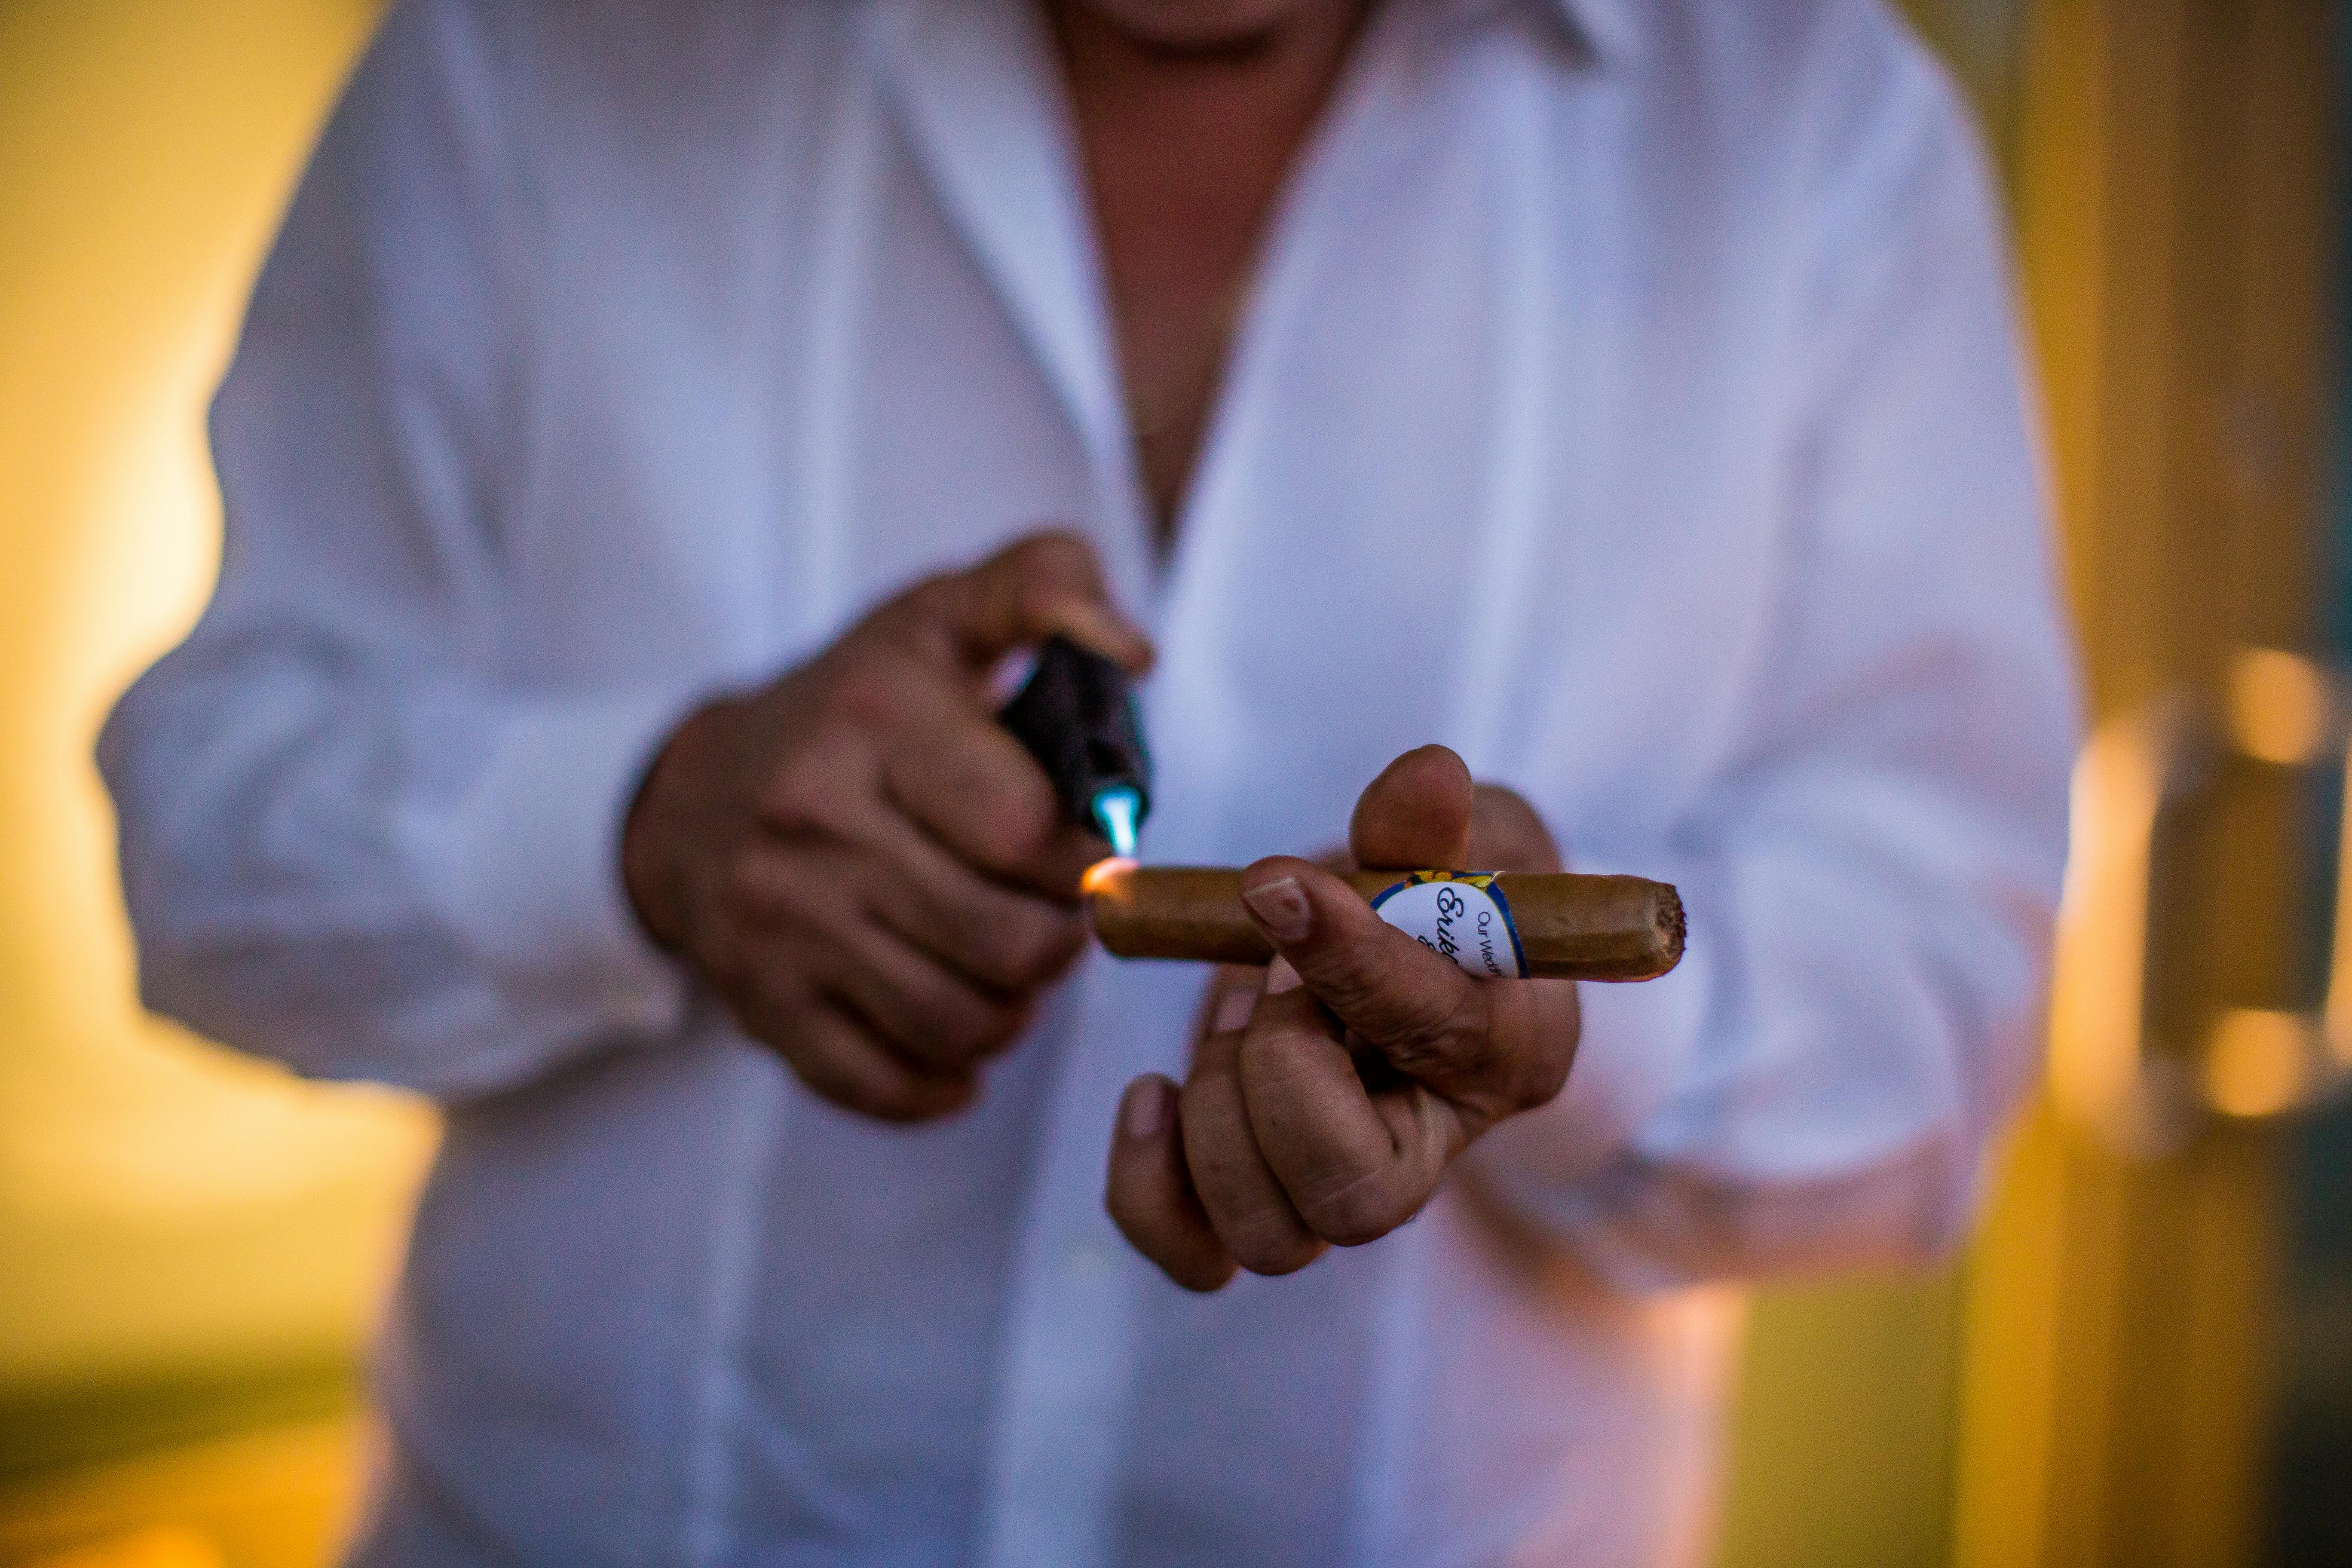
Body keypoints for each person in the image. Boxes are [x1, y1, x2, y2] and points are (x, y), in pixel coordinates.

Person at [98, 0, 2077, 1562]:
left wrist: (1560, 1036)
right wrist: (640, 828)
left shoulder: (1816, 134)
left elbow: (1942, 1010)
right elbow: (204, 828)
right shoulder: (533, 53)